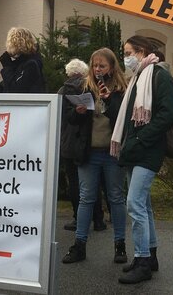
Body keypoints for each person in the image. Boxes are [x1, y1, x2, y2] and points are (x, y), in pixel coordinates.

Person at [113, 36, 173, 284]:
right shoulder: (137, 79)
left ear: (141, 52)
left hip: (147, 149)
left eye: (128, 52)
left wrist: (142, 137)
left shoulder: (158, 75)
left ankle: (142, 260)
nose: (126, 57)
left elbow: (169, 112)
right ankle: (150, 256)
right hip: (135, 149)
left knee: (134, 204)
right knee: (143, 204)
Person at [61, 48, 130, 265]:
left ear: (112, 67)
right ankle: (79, 245)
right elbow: (71, 119)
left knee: (116, 198)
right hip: (89, 151)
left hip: (112, 152)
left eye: (102, 66)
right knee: (86, 198)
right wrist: (77, 112)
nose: (97, 69)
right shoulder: (85, 87)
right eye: (95, 65)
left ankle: (120, 245)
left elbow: (123, 117)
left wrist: (109, 100)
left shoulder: (121, 89)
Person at [57, 59, 106, 233]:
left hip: (69, 142)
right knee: (92, 182)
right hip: (87, 140)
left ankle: (79, 219)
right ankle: (98, 219)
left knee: (75, 183)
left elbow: (61, 117)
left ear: (69, 73)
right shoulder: (90, 88)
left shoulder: (63, 91)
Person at [0, 27, 46, 93]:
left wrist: (7, 66)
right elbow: (7, 95)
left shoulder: (31, 65)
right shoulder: (19, 64)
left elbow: (15, 91)